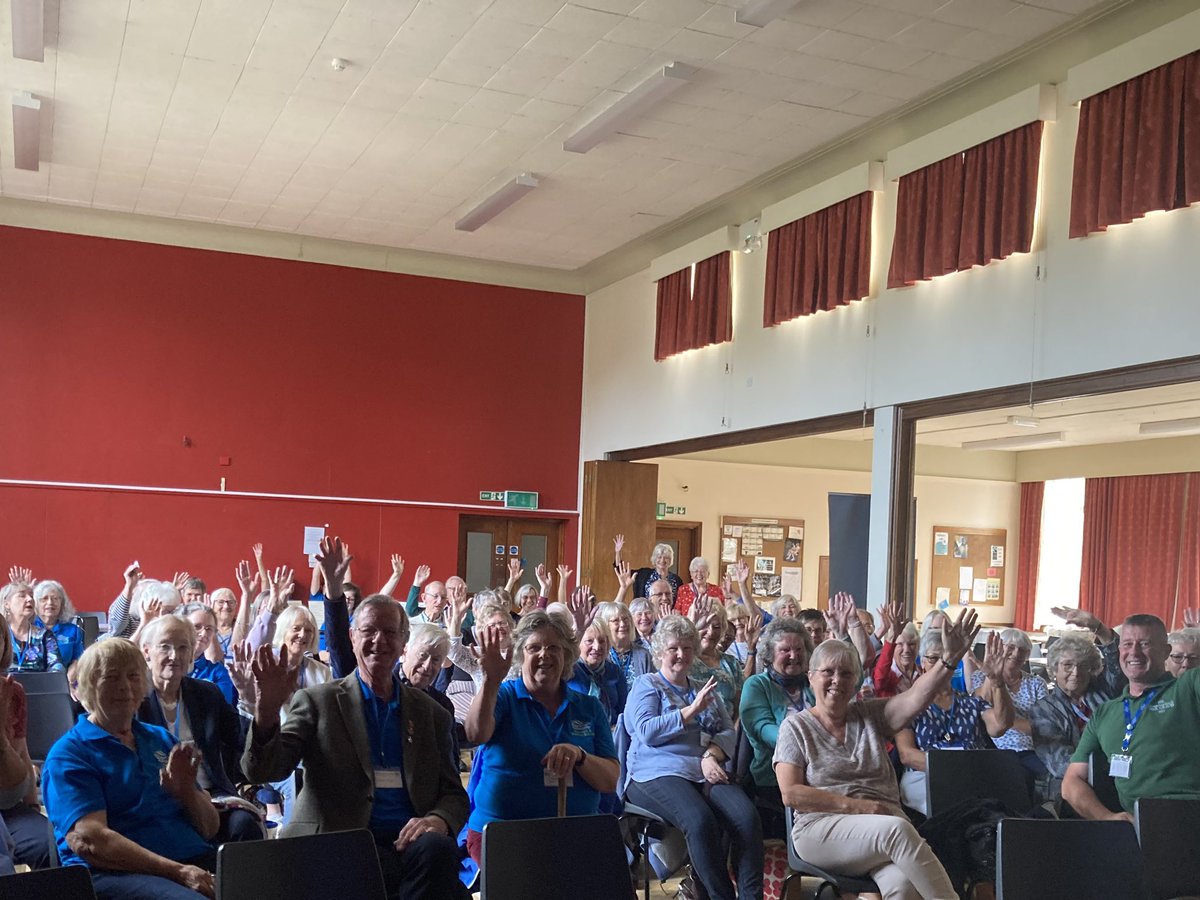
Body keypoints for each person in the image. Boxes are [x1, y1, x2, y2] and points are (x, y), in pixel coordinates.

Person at [242, 537, 468, 900]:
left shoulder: (432, 714)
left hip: (407, 845)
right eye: (368, 631)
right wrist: (266, 713)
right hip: (338, 841)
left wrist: (438, 820)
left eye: (389, 632)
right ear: (351, 636)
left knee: (438, 851)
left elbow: (454, 795)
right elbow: (265, 772)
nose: (378, 640)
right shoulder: (318, 701)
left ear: (402, 642)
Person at [773, 611, 990, 900]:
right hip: (820, 830)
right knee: (897, 830)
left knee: (902, 887)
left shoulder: (870, 715)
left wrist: (948, 662)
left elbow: (916, 698)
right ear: (811, 678)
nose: (837, 680)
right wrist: (857, 807)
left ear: (855, 681)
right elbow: (792, 794)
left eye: (846, 673)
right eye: (828, 672)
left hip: (881, 829)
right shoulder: (795, 727)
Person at [43, 639, 220, 900]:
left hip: (188, 861)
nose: (125, 686)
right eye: (111, 677)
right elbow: (92, 841)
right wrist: (178, 872)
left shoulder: (160, 738)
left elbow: (210, 828)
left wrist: (186, 793)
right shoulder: (70, 753)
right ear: (89, 687)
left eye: (133, 676)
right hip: (116, 874)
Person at [623, 615, 763, 900]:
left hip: (702, 768)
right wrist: (690, 711)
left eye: (687, 648)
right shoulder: (647, 684)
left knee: (747, 817)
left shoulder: (703, 687)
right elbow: (647, 731)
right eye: (674, 648)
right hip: (654, 772)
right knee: (699, 820)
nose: (680, 655)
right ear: (660, 651)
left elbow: (728, 731)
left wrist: (712, 753)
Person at [464, 610, 619, 864]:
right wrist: (491, 680)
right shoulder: (504, 696)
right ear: (520, 655)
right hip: (503, 831)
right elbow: (475, 733)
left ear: (566, 655)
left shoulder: (589, 706)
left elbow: (609, 780)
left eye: (553, 648)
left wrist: (580, 757)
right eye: (533, 647)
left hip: (575, 832)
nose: (544, 654)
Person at [1062, 614, 1200, 820]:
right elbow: (1071, 782)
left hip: (1190, 814)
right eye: (1127, 644)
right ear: (1119, 651)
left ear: (1166, 652)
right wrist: (1107, 817)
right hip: (1140, 824)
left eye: (1145, 644)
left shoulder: (1187, 688)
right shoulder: (1105, 712)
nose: (1134, 652)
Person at [136, 617, 258, 843]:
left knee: (244, 825)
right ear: (146, 652)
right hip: (159, 797)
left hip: (212, 796)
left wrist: (249, 702)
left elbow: (242, 740)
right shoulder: (134, 700)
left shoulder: (207, 694)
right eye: (165, 646)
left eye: (183, 647)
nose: (174, 656)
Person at [894, 627, 1013, 815]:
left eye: (949, 660)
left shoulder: (971, 702)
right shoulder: (909, 705)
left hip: (972, 774)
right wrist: (953, 768)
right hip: (926, 776)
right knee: (954, 806)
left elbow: (1000, 725)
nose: (943, 665)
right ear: (922, 663)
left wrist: (997, 682)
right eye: (934, 659)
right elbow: (907, 755)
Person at [1029, 635, 1113, 805]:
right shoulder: (1042, 710)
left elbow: (1118, 669)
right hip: (1063, 788)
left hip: (1111, 781)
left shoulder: (1104, 696)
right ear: (1054, 670)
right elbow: (1059, 763)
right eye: (1067, 665)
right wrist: (1111, 770)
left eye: (1083, 666)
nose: (1076, 672)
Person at [739, 618, 813, 808]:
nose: (793, 655)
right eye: (785, 650)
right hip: (774, 778)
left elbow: (850, 684)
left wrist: (848, 630)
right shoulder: (756, 684)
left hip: (819, 772)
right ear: (770, 654)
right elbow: (763, 730)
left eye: (799, 649)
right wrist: (814, 742)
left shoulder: (811, 683)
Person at [0, 610, 51, 871]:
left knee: (49, 844)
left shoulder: (13, 692)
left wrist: (31, 803)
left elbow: (21, 750)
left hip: (8, 802)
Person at [969, 628, 1047, 776]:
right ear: (999, 650)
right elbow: (980, 709)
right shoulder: (980, 677)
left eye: (1022, 650)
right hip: (995, 748)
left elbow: (1042, 725)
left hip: (1031, 749)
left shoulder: (1036, 683)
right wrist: (991, 675)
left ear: (1028, 655)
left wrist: (1003, 719)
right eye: (1010, 648)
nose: (1016, 654)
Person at [687, 598, 744, 717]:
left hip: (728, 730)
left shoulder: (731, 663)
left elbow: (739, 707)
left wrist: (733, 731)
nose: (711, 632)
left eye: (717, 627)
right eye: (705, 625)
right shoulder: (684, 659)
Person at [567, 618, 627, 727]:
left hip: (612, 733)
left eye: (601, 641)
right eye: (589, 641)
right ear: (578, 644)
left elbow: (623, 710)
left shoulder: (615, 671)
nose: (597, 647)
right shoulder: (569, 671)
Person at [178, 603, 236, 705]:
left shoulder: (217, 672)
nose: (204, 633)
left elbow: (222, 710)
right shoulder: (168, 663)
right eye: (197, 626)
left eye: (209, 629)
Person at [4, 582, 63, 672]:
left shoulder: (44, 635)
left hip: (38, 685)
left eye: (31, 595)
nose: (30, 599)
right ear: (7, 604)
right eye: (22, 595)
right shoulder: (2, 634)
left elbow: (56, 666)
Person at [597, 601, 654, 688]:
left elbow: (652, 689)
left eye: (625, 619)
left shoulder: (644, 655)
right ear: (606, 625)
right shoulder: (600, 655)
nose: (622, 624)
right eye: (616, 621)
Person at [613, 535, 682, 603]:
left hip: (668, 613)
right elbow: (620, 569)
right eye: (659, 557)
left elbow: (679, 601)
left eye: (666, 558)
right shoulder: (643, 574)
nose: (662, 560)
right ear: (654, 559)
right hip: (645, 612)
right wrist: (618, 552)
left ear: (670, 560)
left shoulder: (676, 579)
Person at [34, 580, 85, 672]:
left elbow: (78, 659)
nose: (50, 602)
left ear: (62, 604)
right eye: (44, 599)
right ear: (35, 604)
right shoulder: (29, 628)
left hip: (63, 679)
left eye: (55, 599)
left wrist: (67, 680)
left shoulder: (73, 630)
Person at [208, 588, 239, 662]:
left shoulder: (243, 628)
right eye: (221, 602)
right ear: (211, 605)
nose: (226, 606)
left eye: (231, 602)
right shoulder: (205, 630)